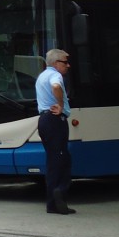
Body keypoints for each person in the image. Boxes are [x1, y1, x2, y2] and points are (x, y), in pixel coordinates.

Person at [35, 49, 74, 214]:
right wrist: (60, 104)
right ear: (56, 63)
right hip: (55, 120)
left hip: (44, 120)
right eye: (65, 62)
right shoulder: (55, 75)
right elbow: (56, 86)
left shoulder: (41, 76)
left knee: (52, 161)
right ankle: (60, 191)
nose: (68, 65)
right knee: (62, 160)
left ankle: (52, 204)